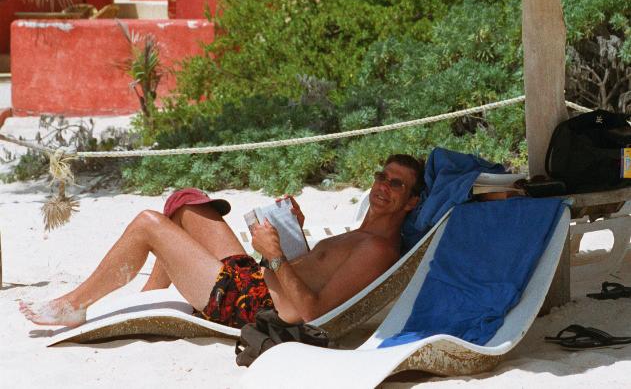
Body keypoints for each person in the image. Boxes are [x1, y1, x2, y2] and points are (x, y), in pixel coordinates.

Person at [19, 154, 424, 329]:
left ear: (412, 202)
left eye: (397, 184)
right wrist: (292, 234)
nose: (383, 187)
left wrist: (275, 256)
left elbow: (312, 311)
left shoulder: (377, 250)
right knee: (185, 203)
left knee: (148, 223)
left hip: (252, 305)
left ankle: (72, 306)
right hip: (258, 280)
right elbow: (316, 272)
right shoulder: (362, 234)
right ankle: (145, 297)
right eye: (381, 176)